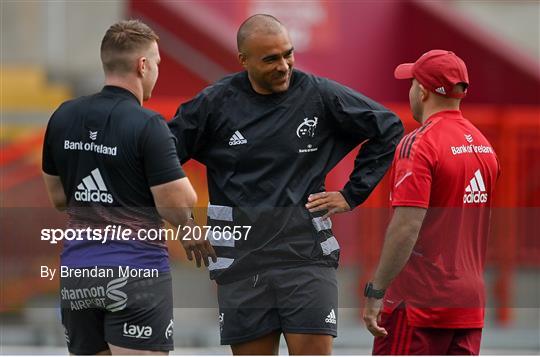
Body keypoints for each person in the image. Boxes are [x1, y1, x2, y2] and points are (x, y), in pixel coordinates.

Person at [168, 14, 403, 355]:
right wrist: (184, 222)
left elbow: (388, 127)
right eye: (271, 59)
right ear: (244, 60)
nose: (284, 65)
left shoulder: (318, 94)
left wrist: (351, 194)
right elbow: (161, 157)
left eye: (288, 54)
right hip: (241, 264)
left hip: (305, 258)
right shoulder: (214, 104)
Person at [42, 20, 212, 355]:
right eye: (158, 64)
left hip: (78, 274)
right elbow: (176, 205)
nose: (157, 72)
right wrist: (188, 222)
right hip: (135, 273)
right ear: (142, 65)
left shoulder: (62, 116)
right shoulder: (148, 125)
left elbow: (59, 198)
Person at [362, 50, 500, 355]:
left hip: (418, 303)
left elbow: (407, 226)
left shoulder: (419, 143)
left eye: (412, 82)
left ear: (422, 90)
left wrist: (376, 290)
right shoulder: (483, 146)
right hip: (468, 303)